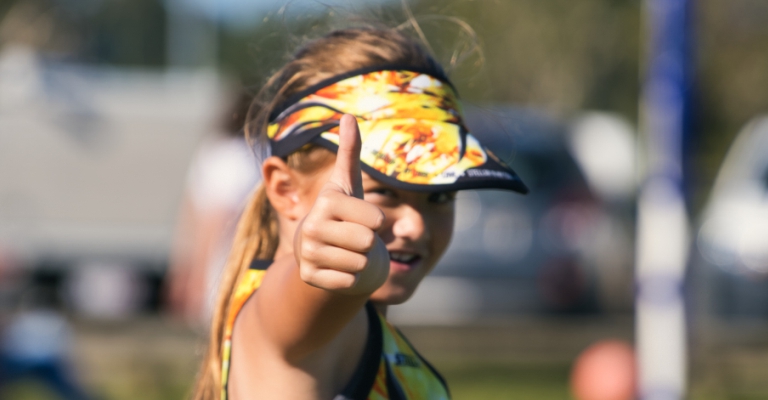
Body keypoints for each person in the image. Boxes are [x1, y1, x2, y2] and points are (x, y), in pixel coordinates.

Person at [193, 27, 528, 400]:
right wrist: (325, 263)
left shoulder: (385, 345)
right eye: (384, 191)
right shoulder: (278, 320)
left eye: (439, 197)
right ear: (285, 190)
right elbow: (307, 291)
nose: (414, 225)